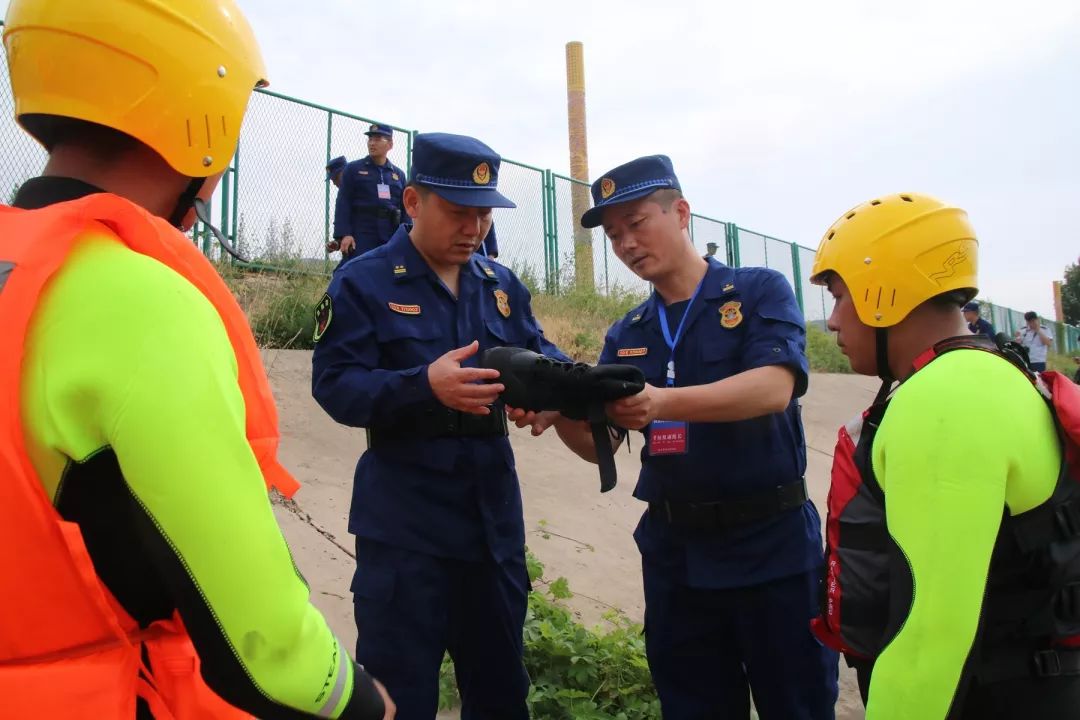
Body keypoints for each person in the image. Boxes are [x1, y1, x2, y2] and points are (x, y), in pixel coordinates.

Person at [0, 1, 393, 719]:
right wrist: (361, 702)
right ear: (200, 113)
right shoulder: (140, 299)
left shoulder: (17, 267)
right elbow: (265, 653)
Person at [512, 155, 838, 718]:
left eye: (637, 223)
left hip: (772, 549)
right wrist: (564, 410)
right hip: (677, 556)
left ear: (681, 212)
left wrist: (660, 402)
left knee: (799, 704)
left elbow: (772, 388)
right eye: (614, 235)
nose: (627, 244)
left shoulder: (757, 292)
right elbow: (603, 447)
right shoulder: (629, 332)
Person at [312, 132, 569, 719]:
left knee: (501, 691)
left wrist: (555, 390)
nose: (473, 229)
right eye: (458, 212)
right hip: (406, 527)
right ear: (412, 202)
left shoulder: (500, 286)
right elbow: (334, 386)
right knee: (399, 696)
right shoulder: (363, 282)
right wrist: (421, 385)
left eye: (483, 215)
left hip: (491, 525)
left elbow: (539, 350)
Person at [808, 192, 1080, 718]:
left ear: (883, 292)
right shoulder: (992, 371)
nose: (834, 321)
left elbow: (929, 640)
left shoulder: (943, 400)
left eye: (840, 296)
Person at [332, 123, 407, 264]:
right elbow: (343, 202)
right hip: (363, 234)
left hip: (392, 234)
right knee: (359, 273)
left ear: (390, 144)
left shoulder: (398, 174)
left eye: (378, 139)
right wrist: (344, 234)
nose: (372, 143)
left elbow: (406, 208)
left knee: (399, 273)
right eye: (370, 139)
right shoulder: (353, 169)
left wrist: (407, 236)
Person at [326, 154, 348, 254]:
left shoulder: (362, 189)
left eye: (335, 178)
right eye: (332, 180)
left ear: (345, 172)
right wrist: (337, 242)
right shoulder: (342, 196)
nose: (334, 183)